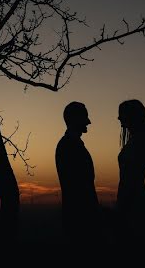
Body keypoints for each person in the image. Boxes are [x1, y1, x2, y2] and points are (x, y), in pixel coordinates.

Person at [55, 101, 100, 235]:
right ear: (75, 119)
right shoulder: (68, 146)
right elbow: (79, 186)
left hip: (80, 216)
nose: (88, 122)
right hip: (80, 219)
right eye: (85, 117)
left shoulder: (71, 144)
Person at [116, 99, 145, 237]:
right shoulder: (137, 141)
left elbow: (130, 181)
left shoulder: (139, 142)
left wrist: (121, 207)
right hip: (135, 198)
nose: (118, 117)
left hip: (134, 201)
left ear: (131, 116)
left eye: (121, 114)